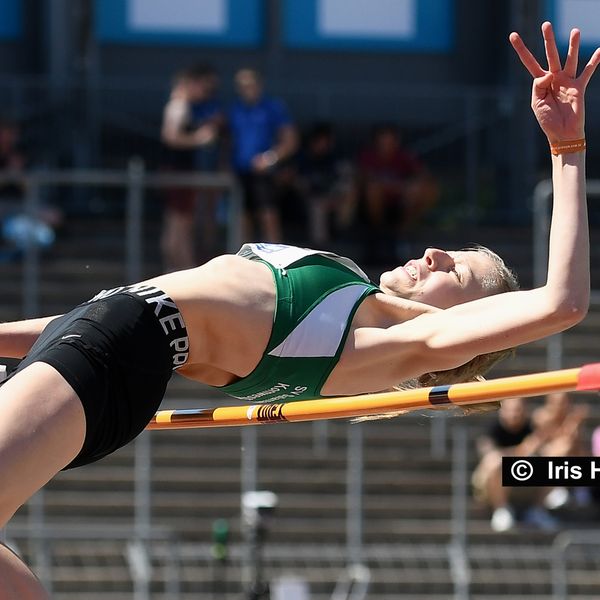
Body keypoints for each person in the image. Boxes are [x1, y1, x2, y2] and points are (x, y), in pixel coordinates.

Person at [0, 22, 597, 596]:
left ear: (473, 329)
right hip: (101, 343)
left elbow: (561, 302)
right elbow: (103, 318)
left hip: (112, 354)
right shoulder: (348, 297)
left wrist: (566, 148)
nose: (435, 252)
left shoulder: (391, 343)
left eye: (458, 271)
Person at [160, 64, 224, 271]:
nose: (204, 94)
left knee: (178, 226)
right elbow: (170, 137)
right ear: (191, 84)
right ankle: (185, 271)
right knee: (179, 227)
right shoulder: (179, 105)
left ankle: (178, 270)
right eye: (202, 88)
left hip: (180, 173)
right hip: (180, 173)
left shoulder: (181, 105)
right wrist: (199, 138)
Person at [228, 68, 298, 242]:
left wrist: (270, 158)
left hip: (264, 174)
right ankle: (244, 263)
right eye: (242, 86)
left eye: (250, 85)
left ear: (259, 85)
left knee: (268, 216)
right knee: (242, 218)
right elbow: (227, 141)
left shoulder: (273, 108)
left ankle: (276, 263)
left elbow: (291, 140)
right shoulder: (234, 110)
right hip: (240, 172)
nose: (247, 89)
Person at [472, 397, 558, 532]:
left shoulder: (531, 429)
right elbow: (489, 455)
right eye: (511, 410)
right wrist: (522, 450)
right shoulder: (492, 430)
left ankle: (537, 510)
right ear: (502, 411)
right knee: (495, 462)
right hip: (492, 485)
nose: (514, 414)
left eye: (518, 410)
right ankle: (501, 510)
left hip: (520, 480)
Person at [356, 122, 438, 259]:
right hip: (371, 211)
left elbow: (423, 176)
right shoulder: (368, 157)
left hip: (399, 206)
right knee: (373, 189)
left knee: (424, 189)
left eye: (390, 141)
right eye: (383, 141)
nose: (387, 145)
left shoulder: (404, 157)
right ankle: (379, 233)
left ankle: (402, 233)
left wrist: (404, 186)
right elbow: (363, 179)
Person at [296, 122, 355, 244]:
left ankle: (343, 235)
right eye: (320, 141)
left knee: (349, 195)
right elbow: (301, 185)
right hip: (310, 199)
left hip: (333, 196)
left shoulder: (336, 158)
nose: (323, 145)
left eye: (326, 141)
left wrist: (334, 197)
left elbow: (345, 180)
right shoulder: (303, 158)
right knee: (317, 207)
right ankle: (321, 247)